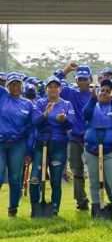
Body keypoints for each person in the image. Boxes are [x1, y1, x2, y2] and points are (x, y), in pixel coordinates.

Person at [82, 79, 112, 219]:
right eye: (102, 90)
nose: (104, 93)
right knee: (94, 182)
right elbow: (85, 115)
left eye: (108, 91)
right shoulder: (92, 106)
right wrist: (92, 99)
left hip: (111, 151)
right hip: (92, 151)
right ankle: (97, 209)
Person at [29, 76, 73, 215]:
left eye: (56, 86)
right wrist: (45, 114)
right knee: (35, 179)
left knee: (55, 180)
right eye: (50, 86)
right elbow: (34, 121)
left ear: (60, 89)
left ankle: (54, 209)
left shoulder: (67, 105)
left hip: (58, 145)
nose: (53, 89)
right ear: (46, 89)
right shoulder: (40, 103)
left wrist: (64, 119)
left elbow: (72, 123)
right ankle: (35, 208)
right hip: (41, 144)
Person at [0, 72, 35, 216]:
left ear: (22, 85)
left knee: (15, 179)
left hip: (18, 145)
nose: (15, 86)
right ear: (7, 86)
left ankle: (13, 208)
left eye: (18, 83)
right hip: (1, 143)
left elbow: (31, 129)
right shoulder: (2, 96)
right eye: (12, 84)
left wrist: (29, 150)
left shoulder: (28, 104)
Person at [62, 66, 96, 211]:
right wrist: (66, 71)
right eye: (80, 79)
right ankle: (81, 201)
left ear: (90, 79)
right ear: (75, 80)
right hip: (74, 139)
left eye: (85, 79)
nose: (82, 82)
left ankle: (98, 200)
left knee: (95, 171)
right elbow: (52, 84)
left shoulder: (95, 96)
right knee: (77, 171)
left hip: (91, 140)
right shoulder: (71, 94)